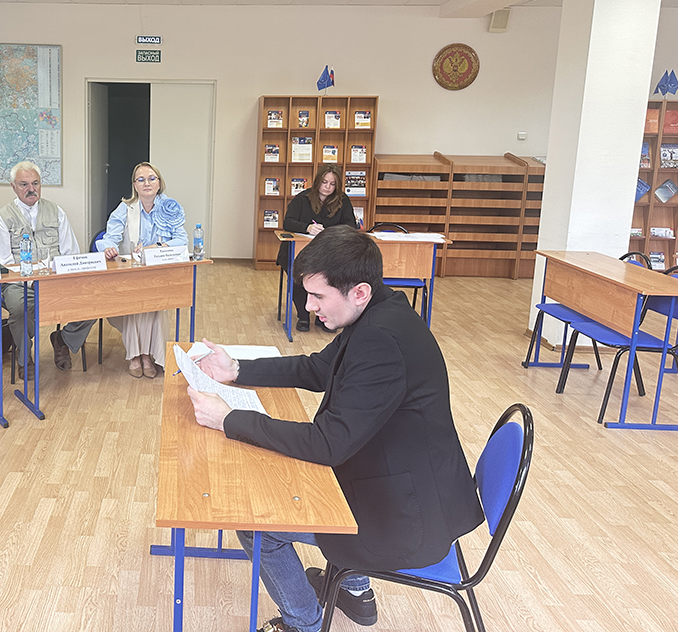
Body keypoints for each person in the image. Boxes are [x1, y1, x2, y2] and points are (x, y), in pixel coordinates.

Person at [188, 226, 483, 632]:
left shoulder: (381, 341)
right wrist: (236, 369)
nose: (309, 307)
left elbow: (328, 444)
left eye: (318, 296)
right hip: (405, 485)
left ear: (358, 292)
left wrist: (228, 419)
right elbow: (318, 368)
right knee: (294, 477)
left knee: (257, 525)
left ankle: (304, 623)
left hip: (403, 519)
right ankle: (354, 588)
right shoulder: (382, 311)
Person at [0, 161, 95, 373]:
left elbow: (71, 252)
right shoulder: (3, 217)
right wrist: (30, 281)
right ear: (13, 187)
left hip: (55, 279)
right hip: (18, 283)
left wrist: (60, 279)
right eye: (24, 184)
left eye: (35, 183)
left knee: (92, 302)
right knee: (19, 310)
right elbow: (4, 262)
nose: (31, 189)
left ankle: (63, 340)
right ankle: (24, 358)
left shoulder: (56, 212)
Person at [95, 162, 187, 378]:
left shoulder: (170, 208)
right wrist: (109, 247)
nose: (147, 183)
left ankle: (147, 355)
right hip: (131, 273)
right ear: (134, 185)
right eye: (141, 179)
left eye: (152, 178)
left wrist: (157, 246)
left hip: (159, 272)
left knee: (153, 305)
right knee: (135, 303)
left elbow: (182, 240)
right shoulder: (125, 208)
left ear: (159, 183)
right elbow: (110, 236)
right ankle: (136, 356)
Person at [277, 164, 358, 332]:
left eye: (332, 184)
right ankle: (303, 316)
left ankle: (325, 316)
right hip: (300, 252)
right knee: (301, 276)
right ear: (317, 181)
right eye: (324, 182)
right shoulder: (302, 198)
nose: (328, 187)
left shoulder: (342, 200)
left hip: (330, 253)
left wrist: (332, 231)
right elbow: (288, 222)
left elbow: (351, 225)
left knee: (332, 279)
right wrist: (306, 227)